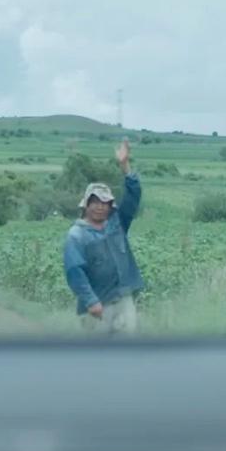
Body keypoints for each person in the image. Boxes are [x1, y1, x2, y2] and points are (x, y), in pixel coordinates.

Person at [63, 139, 144, 335]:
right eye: (95, 202)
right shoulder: (77, 235)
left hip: (123, 299)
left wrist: (125, 166)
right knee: (98, 355)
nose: (100, 206)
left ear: (110, 206)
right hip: (98, 305)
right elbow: (75, 272)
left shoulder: (117, 224)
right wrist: (90, 301)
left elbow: (134, 196)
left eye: (105, 202)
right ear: (86, 205)